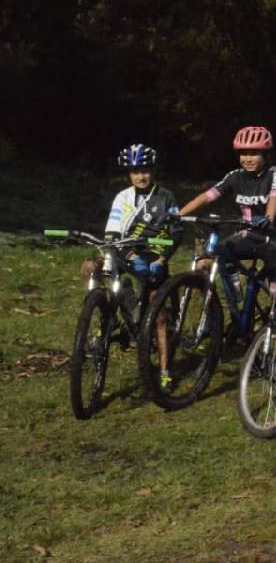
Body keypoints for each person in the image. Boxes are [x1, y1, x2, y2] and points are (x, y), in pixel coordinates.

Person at [83, 144, 180, 386]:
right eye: (135, 171)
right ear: (128, 173)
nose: (141, 176)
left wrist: (162, 258)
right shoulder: (122, 197)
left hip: (154, 254)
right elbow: (112, 233)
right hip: (127, 253)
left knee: (157, 317)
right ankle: (107, 316)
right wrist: (125, 256)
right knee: (93, 268)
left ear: (153, 170)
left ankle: (165, 370)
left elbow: (177, 232)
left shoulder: (166, 196)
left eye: (145, 170)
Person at [177, 125, 276, 292]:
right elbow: (207, 197)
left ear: (266, 154)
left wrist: (269, 218)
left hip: (273, 238)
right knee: (211, 256)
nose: (248, 159)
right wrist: (178, 214)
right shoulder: (234, 176)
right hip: (247, 235)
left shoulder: (273, 173)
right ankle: (227, 297)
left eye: (254, 154)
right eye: (244, 154)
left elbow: (275, 196)